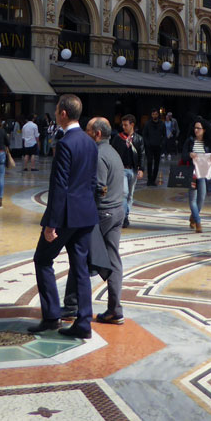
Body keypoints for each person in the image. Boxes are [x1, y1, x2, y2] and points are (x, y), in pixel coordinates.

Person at [28, 94, 99, 338]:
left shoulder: (66, 143)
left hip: (66, 216)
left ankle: (50, 316)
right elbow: (92, 181)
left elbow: (59, 187)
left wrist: (51, 224)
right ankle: (83, 322)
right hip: (86, 215)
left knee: (42, 259)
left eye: (57, 110)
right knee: (80, 268)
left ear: (64, 114)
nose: (56, 113)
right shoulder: (90, 142)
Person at [83, 116, 126, 324]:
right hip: (117, 210)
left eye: (88, 131)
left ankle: (76, 308)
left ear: (97, 134)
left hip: (103, 213)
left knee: (81, 256)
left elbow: (98, 188)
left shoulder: (99, 155)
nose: (86, 134)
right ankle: (115, 309)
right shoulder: (113, 152)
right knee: (113, 260)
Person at [184, 119, 211, 233]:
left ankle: (193, 216)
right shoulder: (190, 141)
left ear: (204, 130)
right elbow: (183, 155)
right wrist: (189, 154)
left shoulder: (207, 143)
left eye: (199, 128)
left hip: (203, 174)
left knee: (201, 198)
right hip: (192, 174)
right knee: (192, 199)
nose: (196, 130)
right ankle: (198, 222)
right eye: (195, 128)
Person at [111, 115, 145, 228]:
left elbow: (142, 154)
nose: (123, 127)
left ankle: (126, 214)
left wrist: (141, 169)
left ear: (132, 125)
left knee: (130, 194)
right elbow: (113, 153)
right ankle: (124, 217)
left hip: (133, 169)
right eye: (123, 125)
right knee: (124, 193)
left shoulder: (138, 139)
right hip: (122, 169)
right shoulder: (118, 138)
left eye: (126, 125)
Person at [143, 110, 166, 186]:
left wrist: (161, 143)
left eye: (156, 114)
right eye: (153, 114)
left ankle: (153, 179)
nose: (154, 116)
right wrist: (147, 143)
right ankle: (149, 179)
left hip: (158, 146)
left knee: (157, 163)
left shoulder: (162, 124)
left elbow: (164, 135)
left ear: (158, 115)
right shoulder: (147, 124)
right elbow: (145, 135)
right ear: (151, 115)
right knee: (149, 162)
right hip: (150, 147)